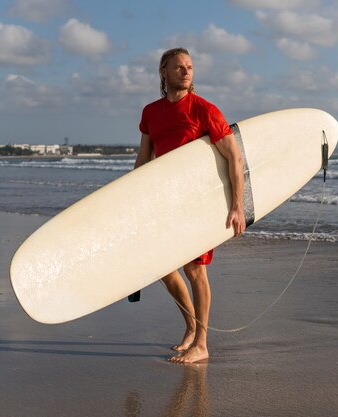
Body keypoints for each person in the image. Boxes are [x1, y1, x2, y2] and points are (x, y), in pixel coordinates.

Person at [134, 47, 245, 364]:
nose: (186, 71)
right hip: (164, 201)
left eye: (190, 67)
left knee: (195, 269)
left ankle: (203, 343)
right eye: (179, 66)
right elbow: (144, 159)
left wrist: (237, 205)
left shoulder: (205, 110)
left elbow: (234, 157)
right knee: (164, 269)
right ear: (164, 72)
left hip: (199, 201)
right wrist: (131, 204)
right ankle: (190, 329)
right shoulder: (150, 112)